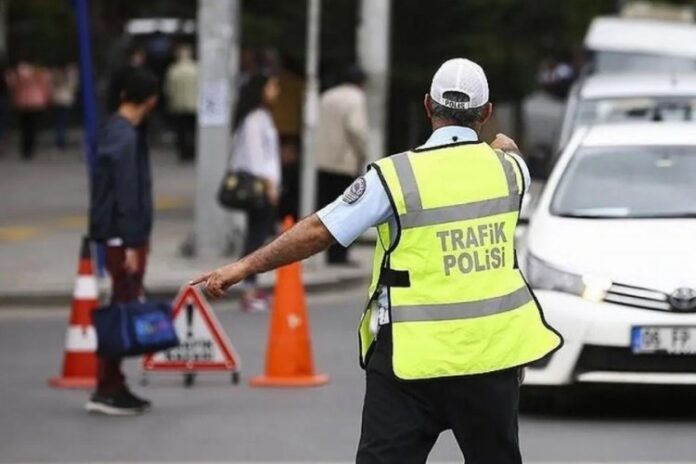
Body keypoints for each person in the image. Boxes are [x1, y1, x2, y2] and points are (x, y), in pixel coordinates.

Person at [191, 58, 563, 463]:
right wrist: (503, 144)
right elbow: (509, 148)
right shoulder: (511, 172)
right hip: (490, 360)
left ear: (427, 105)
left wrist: (243, 267)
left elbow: (319, 230)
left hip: (410, 361)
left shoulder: (394, 177)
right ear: (486, 112)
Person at [87, 68, 159, 415]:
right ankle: (108, 387)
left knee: (122, 305)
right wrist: (132, 242)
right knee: (121, 309)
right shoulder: (125, 136)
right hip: (122, 238)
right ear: (151, 100)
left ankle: (112, 383)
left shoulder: (115, 130)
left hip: (119, 235)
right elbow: (127, 193)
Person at [229, 73, 282, 312]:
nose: (276, 91)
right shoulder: (253, 119)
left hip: (265, 185)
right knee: (255, 238)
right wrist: (269, 185)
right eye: (272, 86)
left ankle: (252, 286)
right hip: (259, 187)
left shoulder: (262, 116)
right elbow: (255, 157)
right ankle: (248, 289)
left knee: (258, 235)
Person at [315, 65, 369, 265]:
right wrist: (362, 152)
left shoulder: (326, 96)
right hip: (345, 162)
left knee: (327, 210)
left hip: (322, 161)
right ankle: (340, 255)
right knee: (346, 210)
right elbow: (356, 128)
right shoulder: (356, 98)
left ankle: (327, 252)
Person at [6, 60, 51, 159]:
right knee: (30, 128)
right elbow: (45, 88)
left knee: (27, 128)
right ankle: (28, 149)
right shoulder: (37, 76)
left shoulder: (25, 76)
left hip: (27, 104)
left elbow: (12, 86)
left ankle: (27, 149)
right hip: (32, 104)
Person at [164, 44, 198, 162]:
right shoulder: (196, 69)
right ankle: (193, 151)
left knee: (181, 131)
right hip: (194, 105)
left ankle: (183, 152)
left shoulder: (173, 70)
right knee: (193, 130)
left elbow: (168, 89)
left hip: (178, 105)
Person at [51, 63, 79, 150]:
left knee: (59, 122)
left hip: (57, 100)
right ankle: (61, 141)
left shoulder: (56, 75)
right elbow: (74, 87)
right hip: (66, 101)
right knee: (63, 122)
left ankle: (60, 141)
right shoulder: (70, 76)